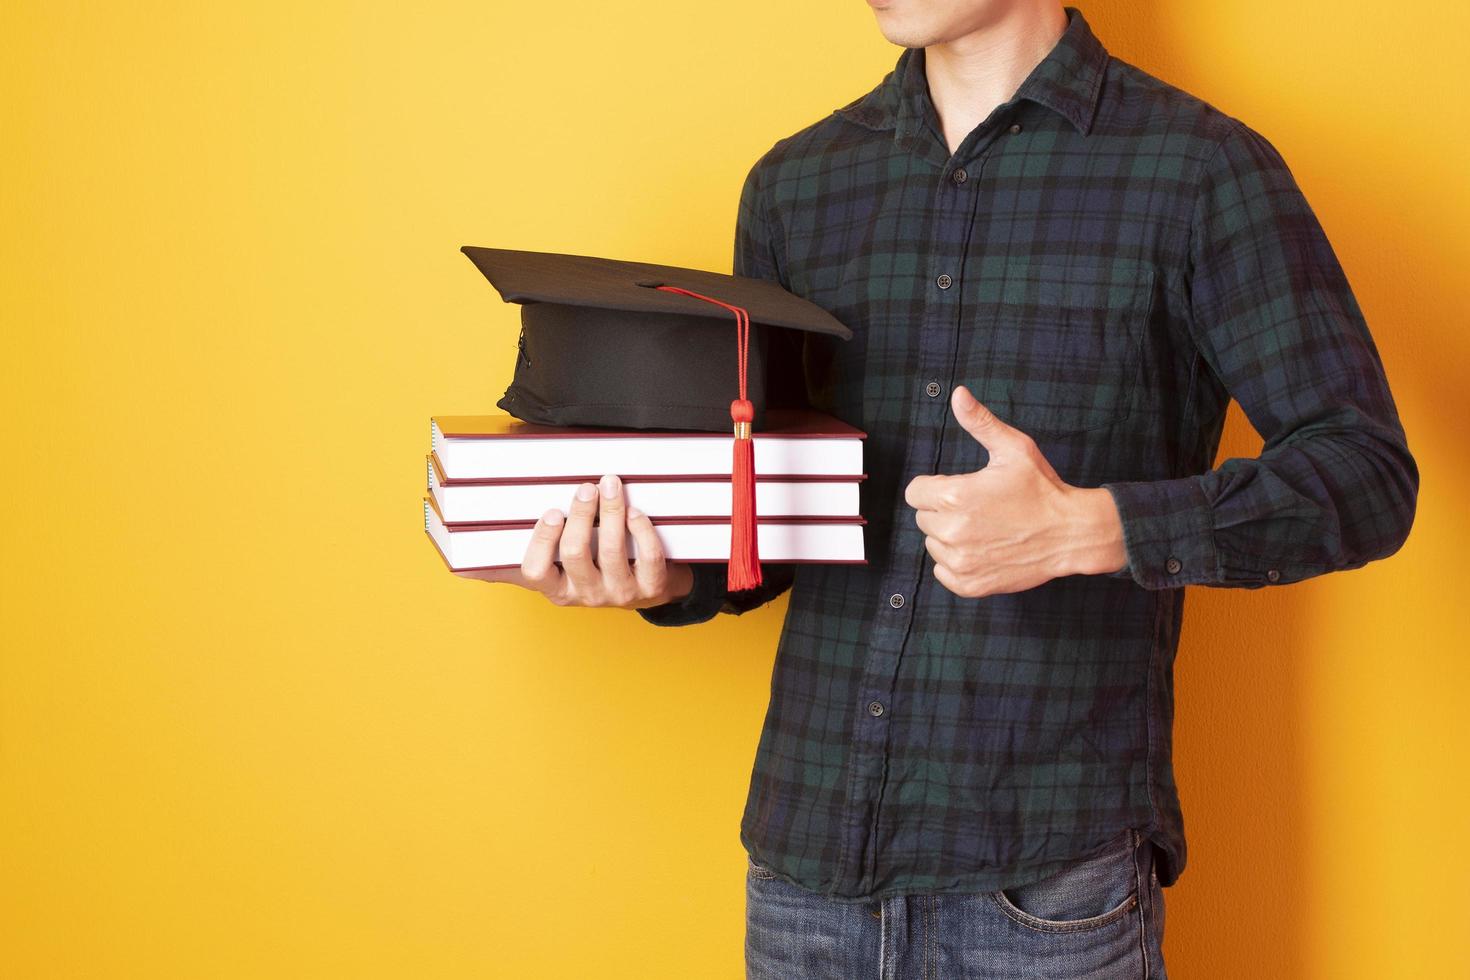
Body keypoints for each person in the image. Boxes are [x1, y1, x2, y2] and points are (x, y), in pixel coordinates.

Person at [457, 2, 1419, 976]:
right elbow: (779, 524)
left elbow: (1366, 470)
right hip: (806, 877)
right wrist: (655, 575)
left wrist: (1092, 528)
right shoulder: (799, 185)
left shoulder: (1201, 172)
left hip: (1046, 889)